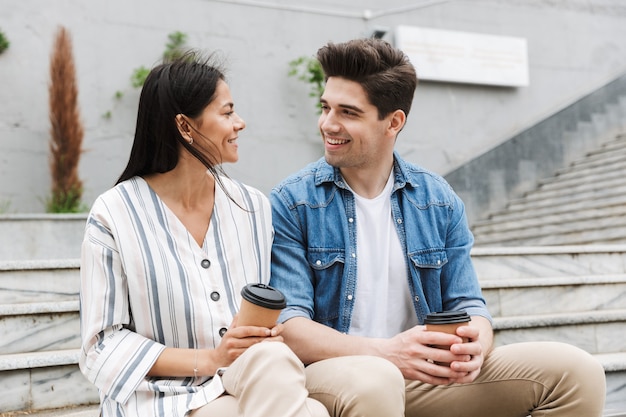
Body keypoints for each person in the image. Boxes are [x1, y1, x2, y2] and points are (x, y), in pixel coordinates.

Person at [269, 38, 607, 417]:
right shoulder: (292, 201)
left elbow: (468, 303)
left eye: (348, 112)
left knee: (577, 372)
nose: (328, 124)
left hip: (421, 377)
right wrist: (386, 352)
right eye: (326, 107)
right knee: (375, 380)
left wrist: (477, 338)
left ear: (393, 122)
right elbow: (288, 325)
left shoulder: (437, 200)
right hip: (334, 378)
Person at [79, 51, 329, 417]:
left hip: (251, 377)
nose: (240, 123)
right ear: (185, 126)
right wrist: (211, 358)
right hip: (158, 397)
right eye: (227, 112)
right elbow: (101, 344)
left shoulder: (253, 207)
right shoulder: (114, 214)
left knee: (277, 362)